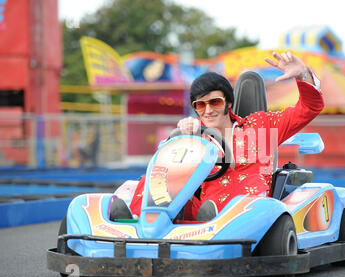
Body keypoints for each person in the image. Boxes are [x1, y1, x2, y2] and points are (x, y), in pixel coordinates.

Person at [129, 51, 324, 221]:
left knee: (248, 199)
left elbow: (309, 108)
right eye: (200, 105)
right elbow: (164, 168)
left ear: (228, 103)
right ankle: (136, 221)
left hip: (250, 209)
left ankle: (212, 222)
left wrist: (303, 74)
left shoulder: (261, 126)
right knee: (150, 180)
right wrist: (180, 137)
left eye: (214, 102)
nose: (208, 110)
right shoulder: (195, 135)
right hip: (204, 209)